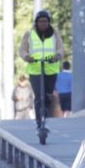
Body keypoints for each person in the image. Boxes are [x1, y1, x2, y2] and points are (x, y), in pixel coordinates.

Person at [20, 9, 61, 144]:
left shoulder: (55, 34)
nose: (43, 24)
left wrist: (57, 56)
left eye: (45, 21)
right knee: (38, 96)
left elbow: (60, 48)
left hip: (50, 68)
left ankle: (46, 114)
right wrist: (27, 57)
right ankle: (39, 123)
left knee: (48, 95)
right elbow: (23, 49)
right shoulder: (29, 34)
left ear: (49, 23)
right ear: (36, 23)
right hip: (35, 69)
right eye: (41, 21)